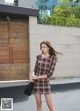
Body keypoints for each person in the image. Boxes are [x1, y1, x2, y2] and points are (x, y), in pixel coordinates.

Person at [31, 41, 63, 111]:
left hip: (45, 83)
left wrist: (37, 77)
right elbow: (35, 69)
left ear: (48, 48)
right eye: (41, 47)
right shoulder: (38, 57)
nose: (42, 48)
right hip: (36, 83)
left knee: (50, 106)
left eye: (44, 47)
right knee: (38, 104)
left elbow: (50, 74)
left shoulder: (53, 58)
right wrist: (33, 75)